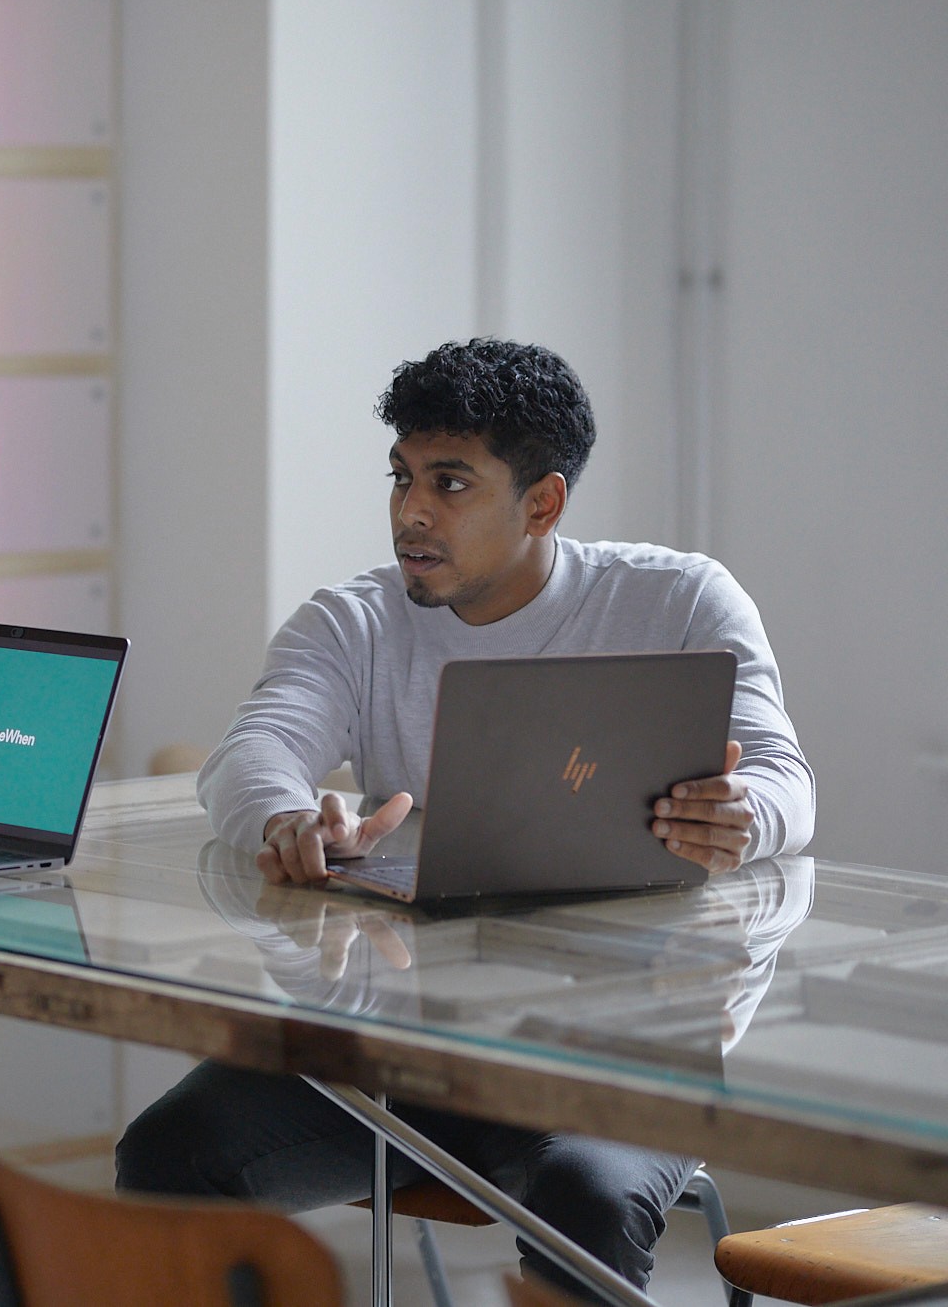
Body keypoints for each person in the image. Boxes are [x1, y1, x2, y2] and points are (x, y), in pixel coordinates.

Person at [115, 338, 815, 1300]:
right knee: (168, 1148)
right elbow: (251, 753)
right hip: (404, 1050)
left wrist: (745, 814)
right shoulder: (354, 621)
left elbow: (786, 779)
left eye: (449, 483)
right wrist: (288, 817)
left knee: (585, 1194)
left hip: (630, 1050)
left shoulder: (679, 599)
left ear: (543, 503)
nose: (411, 511)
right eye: (402, 477)